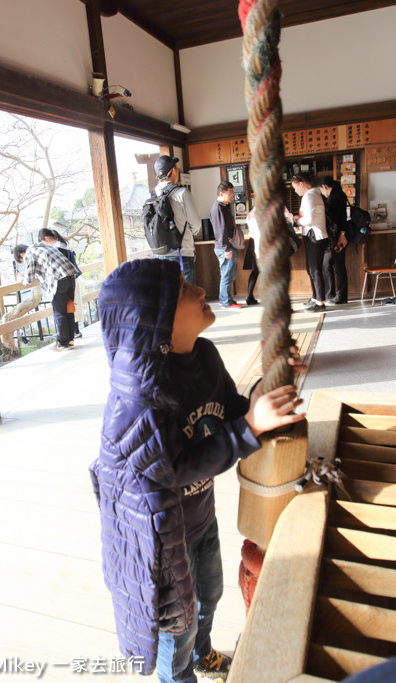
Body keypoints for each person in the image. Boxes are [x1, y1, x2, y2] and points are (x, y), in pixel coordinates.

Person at [90, 258, 306, 683]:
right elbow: (171, 470)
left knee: (211, 595)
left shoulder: (204, 356)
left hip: (201, 517)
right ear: (158, 323)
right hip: (164, 541)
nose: (201, 291)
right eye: (186, 288)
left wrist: (268, 385)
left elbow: (233, 412)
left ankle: (203, 657)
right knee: (178, 627)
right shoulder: (141, 398)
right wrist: (249, 427)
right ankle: (181, 675)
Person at [21, 236, 77, 351]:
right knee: (68, 309)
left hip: (58, 280)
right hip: (70, 276)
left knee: (60, 312)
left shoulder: (30, 253)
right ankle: (70, 340)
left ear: (21, 255)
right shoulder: (45, 246)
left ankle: (64, 343)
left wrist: (21, 278)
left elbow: (28, 279)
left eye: (22, 261)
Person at [154, 155, 202, 285]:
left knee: (169, 297)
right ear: (173, 171)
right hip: (182, 253)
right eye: (176, 168)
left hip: (160, 255)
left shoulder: (154, 195)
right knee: (186, 297)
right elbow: (196, 224)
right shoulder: (182, 193)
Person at [291, 173, 329, 312]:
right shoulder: (314, 194)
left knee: (315, 270)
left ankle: (320, 302)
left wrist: (296, 220)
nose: (295, 191)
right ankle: (315, 297)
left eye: (295, 187)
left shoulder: (310, 195)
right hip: (314, 236)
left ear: (301, 184)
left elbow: (308, 219)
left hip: (315, 237)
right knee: (312, 269)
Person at [38, 228, 84, 337]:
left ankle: (75, 331)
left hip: (67, 279)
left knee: (70, 304)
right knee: (73, 303)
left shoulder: (58, 248)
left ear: (46, 238)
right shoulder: (64, 245)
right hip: (74, 277)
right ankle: (75, 331)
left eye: (43, 242)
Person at [210, 181, 244, 309]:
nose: (232, 196)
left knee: (229, 274)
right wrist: (226, 249)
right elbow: (221, 231)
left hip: (226, 246)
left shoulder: (223, 207)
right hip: (224, 247)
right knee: (226, 274)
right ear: (221, 194)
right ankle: (225, 301)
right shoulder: (218, 208)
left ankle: (227, 299)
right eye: (230, 194)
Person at [320, 176, 349, 304]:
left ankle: (341, 296)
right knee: (326, 264)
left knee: (339, 266)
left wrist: (342, 235)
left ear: (324, 187)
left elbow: (342, 219)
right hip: (333, 237)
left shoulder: (338, 197)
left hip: (338, 237)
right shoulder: (335, 195)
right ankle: (330, 293)